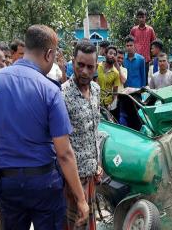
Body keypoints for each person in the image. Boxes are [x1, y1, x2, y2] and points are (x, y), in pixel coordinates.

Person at [0, 25, 89, 229]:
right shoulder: (50, 89)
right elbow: (64, 153)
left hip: (7, 182)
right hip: (44, 183)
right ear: (49, 53)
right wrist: (81, 199)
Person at [62, 40, 102, 230]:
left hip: (92, 174)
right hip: (73, 181)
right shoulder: (62, 95)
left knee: (89, 225)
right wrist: (78, 194)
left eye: (90, 66)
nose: (85, 71)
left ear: (96, 67)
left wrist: (98, 163)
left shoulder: (96, 90)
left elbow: (94, 130)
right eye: (81, 65)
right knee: (76, 226)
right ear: (73, 62)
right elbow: (61, 147)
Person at [130, 9, 156, 81]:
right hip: (135, 59)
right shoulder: (134, 30)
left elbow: (154, 43)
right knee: (135, 78)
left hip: (146, 60)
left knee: (144, 80)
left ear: (145, 17)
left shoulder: (150, 30)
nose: (141, 19)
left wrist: (153, 57)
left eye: (142, 17)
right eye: (139, 17)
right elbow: (129, 43)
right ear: (137, 18)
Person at [97, 45, 121, 110]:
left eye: (114, 54)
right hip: (95, 101)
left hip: (107, 105)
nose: (112, 55)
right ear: (105, 54)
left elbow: (115, 93)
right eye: (110, 53)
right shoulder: (97, 67)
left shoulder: (116, 73)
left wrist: (112, 106)